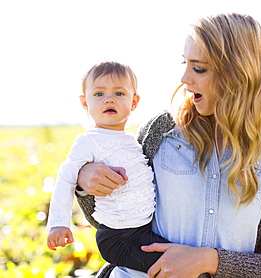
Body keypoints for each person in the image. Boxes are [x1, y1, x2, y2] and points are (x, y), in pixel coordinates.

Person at [76, 13, 261, 278]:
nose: (185, 78)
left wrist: (210, 261)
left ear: (239, 74)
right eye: (185, 63)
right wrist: (85, 182)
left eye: (199, 68)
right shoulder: (159, 132)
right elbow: (116, 225)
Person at [46, 61, 170, 272]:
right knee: (172, 268)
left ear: (134, 102)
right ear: (85, 102)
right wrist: (58, 223)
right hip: (118, 237)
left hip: (143, 230)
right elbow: (66, 178)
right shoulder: (89, 141)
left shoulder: (131, 141)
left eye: (120, 93)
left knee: (180, 261)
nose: (109, 99)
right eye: (99, 94)